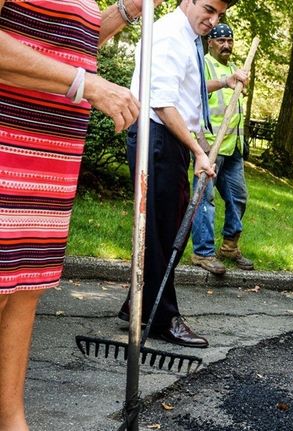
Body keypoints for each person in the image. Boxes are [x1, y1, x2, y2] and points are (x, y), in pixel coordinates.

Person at [0, 0, 156, 427]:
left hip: (52, 154)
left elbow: (67, 44)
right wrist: (86, 84)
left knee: (24, 288)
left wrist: (126, 11)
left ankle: (12, 419)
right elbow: (74, 73)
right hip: (7, 138)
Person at [118, 0, 243, 348]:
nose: (213, 19)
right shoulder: (171, 34)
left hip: (168, 140)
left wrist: (199, 144)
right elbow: (162, 102)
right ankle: (163, 318)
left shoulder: (188, 38)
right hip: (155, 137)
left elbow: (187, 101)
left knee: (164, 226)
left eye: (220, 15)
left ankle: (136, 304)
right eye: (208, 9)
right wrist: (200, 151)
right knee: (162, 232)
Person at [190, 23, 254, 275]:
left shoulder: (234, 70)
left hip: (233, 149)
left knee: (238, 197)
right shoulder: (202, 63)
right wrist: (199, 143)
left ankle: (229, 246)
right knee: (204, 200)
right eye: (221, 41)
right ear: (210, 43)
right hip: (208, 147)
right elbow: (194, 93)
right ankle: (202, 253)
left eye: (230, 40)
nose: (226, 45)